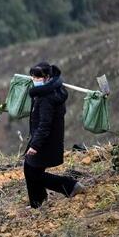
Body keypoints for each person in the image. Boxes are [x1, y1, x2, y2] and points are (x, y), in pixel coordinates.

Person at [24, 62, 85, 208]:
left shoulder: (46, 98)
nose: (34, 79)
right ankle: (37, 202)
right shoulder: (53, 91)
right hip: (49, 140)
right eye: (33, 76)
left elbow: (45, 125)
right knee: (29, 168)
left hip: (45, 142)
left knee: (34, 174)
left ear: (47, 77)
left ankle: (70, 186)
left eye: (37, 76)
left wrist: (35, 145)